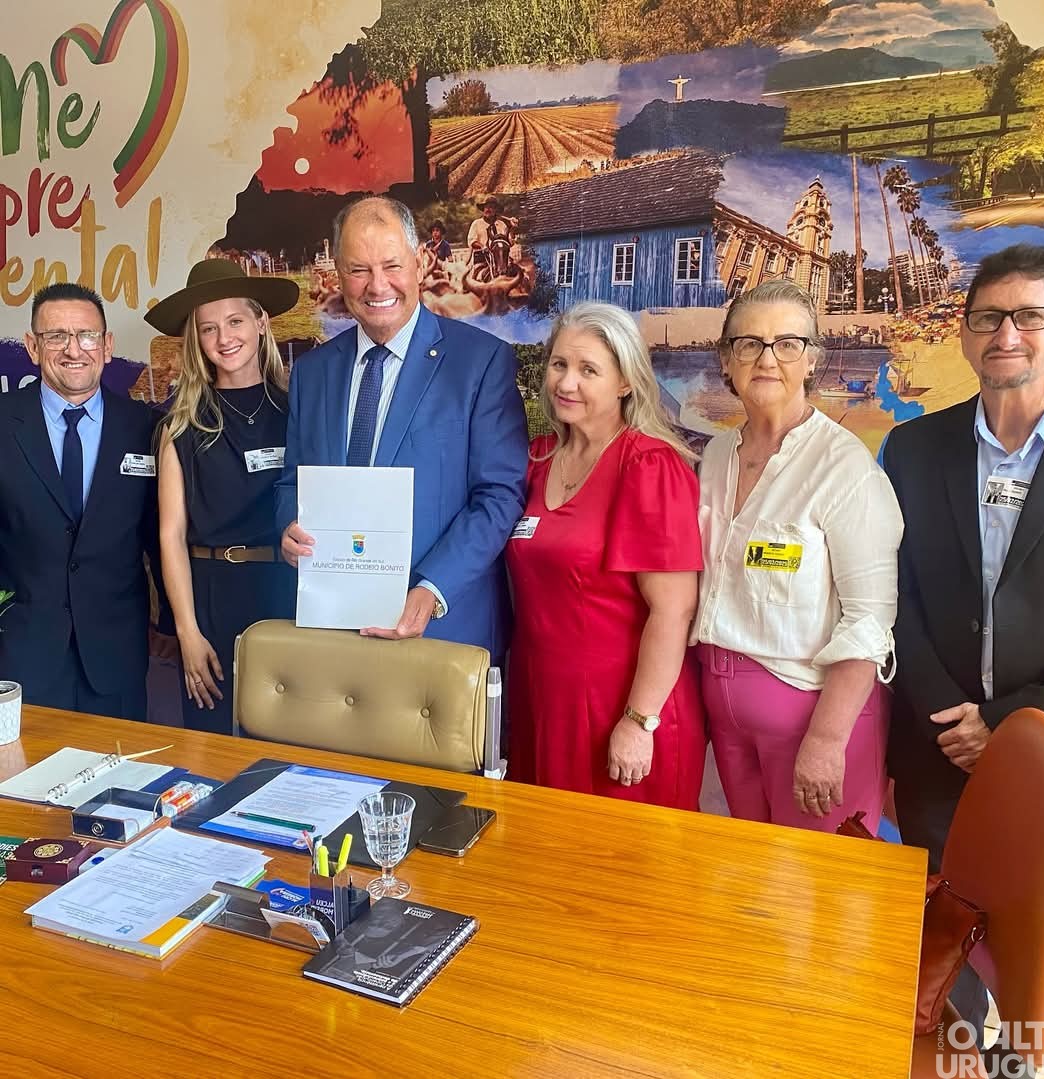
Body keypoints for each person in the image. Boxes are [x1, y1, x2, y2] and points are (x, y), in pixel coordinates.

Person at [882, 244, 1044, 1030]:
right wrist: (950, 716)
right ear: (964, 336)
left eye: (1031, 316)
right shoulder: (914, 449)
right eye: (989, 318)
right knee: (937, 958)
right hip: (936, 747)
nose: (1008, 334)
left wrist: (1005, 725)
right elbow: (892, 592)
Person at [276, 196, 526, 659]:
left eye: (391, 265)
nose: (377, 286)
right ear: (337, 272)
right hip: (334, 633)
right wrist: (287, 526)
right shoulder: (312, 374)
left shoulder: (481, 363)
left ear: (417, 262)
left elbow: (499, 495)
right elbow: (293, 479)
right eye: (358, 269)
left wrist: (434, 587)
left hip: (443, 634)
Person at [694, 280, 903, 832]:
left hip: (813, 720)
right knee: (751, 877)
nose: (768, 359)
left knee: (818, 893)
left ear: (812, 359)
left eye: (787, 343)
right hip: (723, 714)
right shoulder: (715, 457)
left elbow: (870, 618)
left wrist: (827, 739)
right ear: (726, 358)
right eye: (749, 343)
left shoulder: (845, 469)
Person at [505, 302, 706, 808]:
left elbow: (674, 608)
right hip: (542, 702)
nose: (566, 383)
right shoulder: (536, 458)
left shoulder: (650, 466)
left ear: (624, 382)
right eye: (559, 365)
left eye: (588, 370)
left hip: (620, 709)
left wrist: (639, 722)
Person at [0, 283, 171, 721]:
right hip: (20, 657)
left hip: (117, 658)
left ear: (107, 345)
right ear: (33, 348)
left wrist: (171, 625)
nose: (73, 349)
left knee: (115, 784)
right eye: (56, 336)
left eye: (87, 335)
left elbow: (160, 535)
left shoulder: (146, 428)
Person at [148, 259, 300, 734]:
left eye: (235, 321)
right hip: (210, 594)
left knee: (293, 742)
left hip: (288, 590)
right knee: (212, 744)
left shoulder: (299, 408)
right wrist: (187, 632)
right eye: (208, 328)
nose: (224, 338)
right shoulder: (181, 424)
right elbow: (170, 536)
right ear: (196, 339)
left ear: (260, 322)